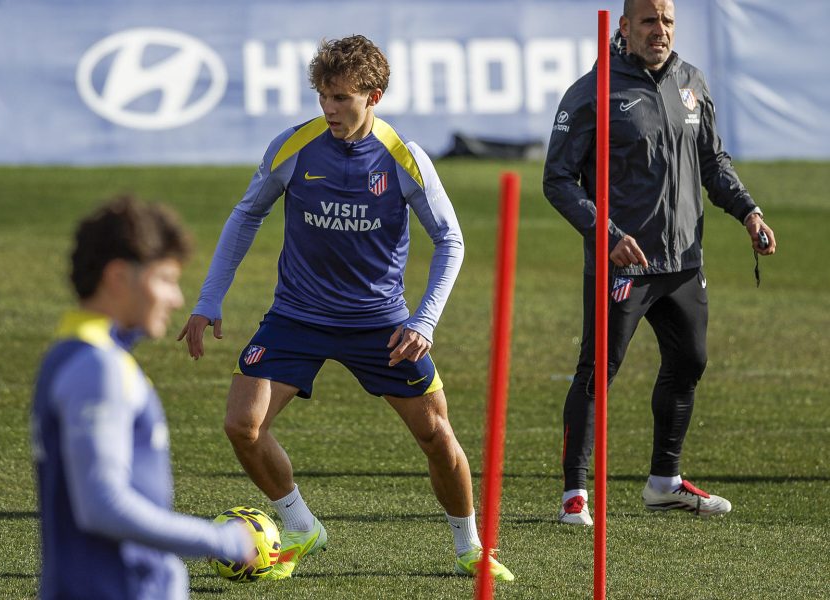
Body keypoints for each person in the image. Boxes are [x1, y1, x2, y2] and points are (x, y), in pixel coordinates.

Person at [178, 35, 513, 581]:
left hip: (380, 325)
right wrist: (209, 298)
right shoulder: (293, 147)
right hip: (297, 316)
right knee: (243, 425)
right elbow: (245, 217)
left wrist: (423, 320)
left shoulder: (404, 158)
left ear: (373, 96)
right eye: (322, 97)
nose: (329, 109)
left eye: (341, 98)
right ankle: (301, 526)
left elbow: (450, 240)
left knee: (436, 437)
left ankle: (470, 547)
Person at [544, 0, 777, 526]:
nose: (660, 31)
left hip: (683, 262)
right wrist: (606, 236)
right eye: (649, 21)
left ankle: (664, 483)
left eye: (668, 20)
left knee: (690, 362)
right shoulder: (592, 92)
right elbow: (556, 179)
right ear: (624, 28)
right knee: (597, 373)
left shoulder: (692, 80)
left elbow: (712, 161)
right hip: (623, 263)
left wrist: (748, 212)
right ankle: (574, 494)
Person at [30, 196, 253, 599]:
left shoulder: (67, 354)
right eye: (165, 279)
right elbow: (101, 503)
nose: (177, 298)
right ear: (118, 277)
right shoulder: (98, 369)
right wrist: (221, 541)